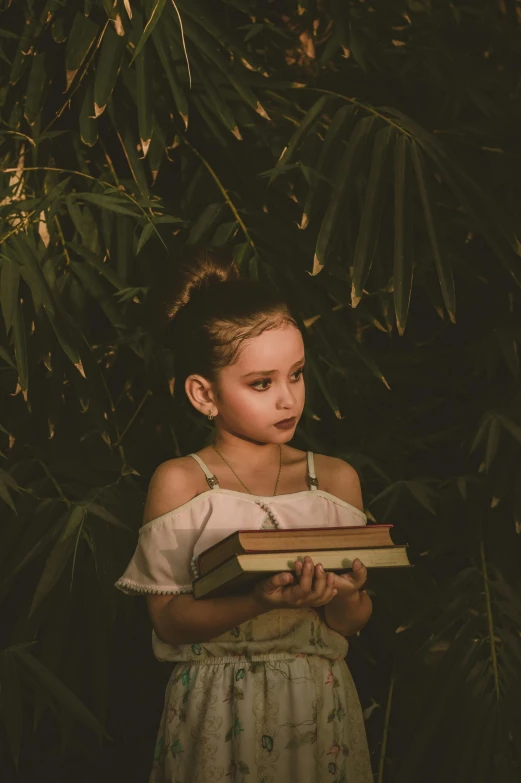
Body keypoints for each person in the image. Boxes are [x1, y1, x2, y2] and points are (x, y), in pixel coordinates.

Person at [115, 249, 373, 783]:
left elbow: (353, 621)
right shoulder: (182, 483)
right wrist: (256, 601)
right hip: (218, 706)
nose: (288, 399)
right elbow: (168, 619)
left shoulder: (335, 479)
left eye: (297, 375)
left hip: (318, 705)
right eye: (262, 383)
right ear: (204, 394)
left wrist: (345, 593)